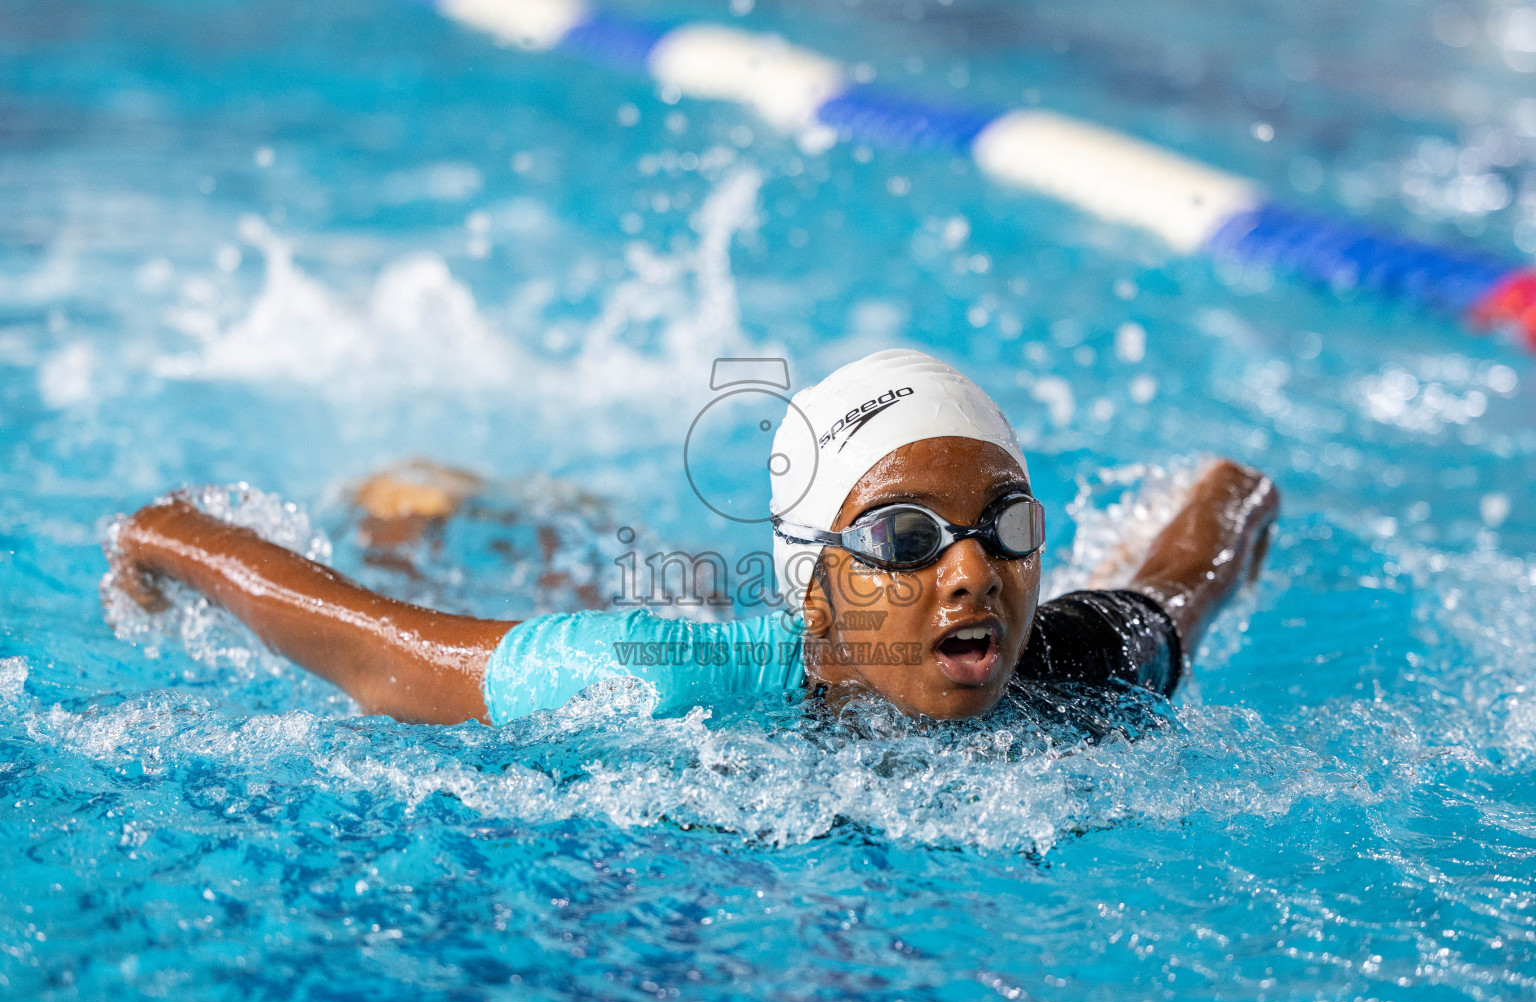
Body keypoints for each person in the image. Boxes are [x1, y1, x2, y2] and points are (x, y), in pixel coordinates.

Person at [107, 349, 1279, 727]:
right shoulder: (670, 678)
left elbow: (1197, 561)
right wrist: (175, 537)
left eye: (1008, 525)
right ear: (815, 587)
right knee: (579, 565)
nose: (974, 570)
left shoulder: (1083, 661)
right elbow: (380, 647)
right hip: (723, 648)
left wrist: (1237, 483)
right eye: (908, 538)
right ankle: (447, 497)